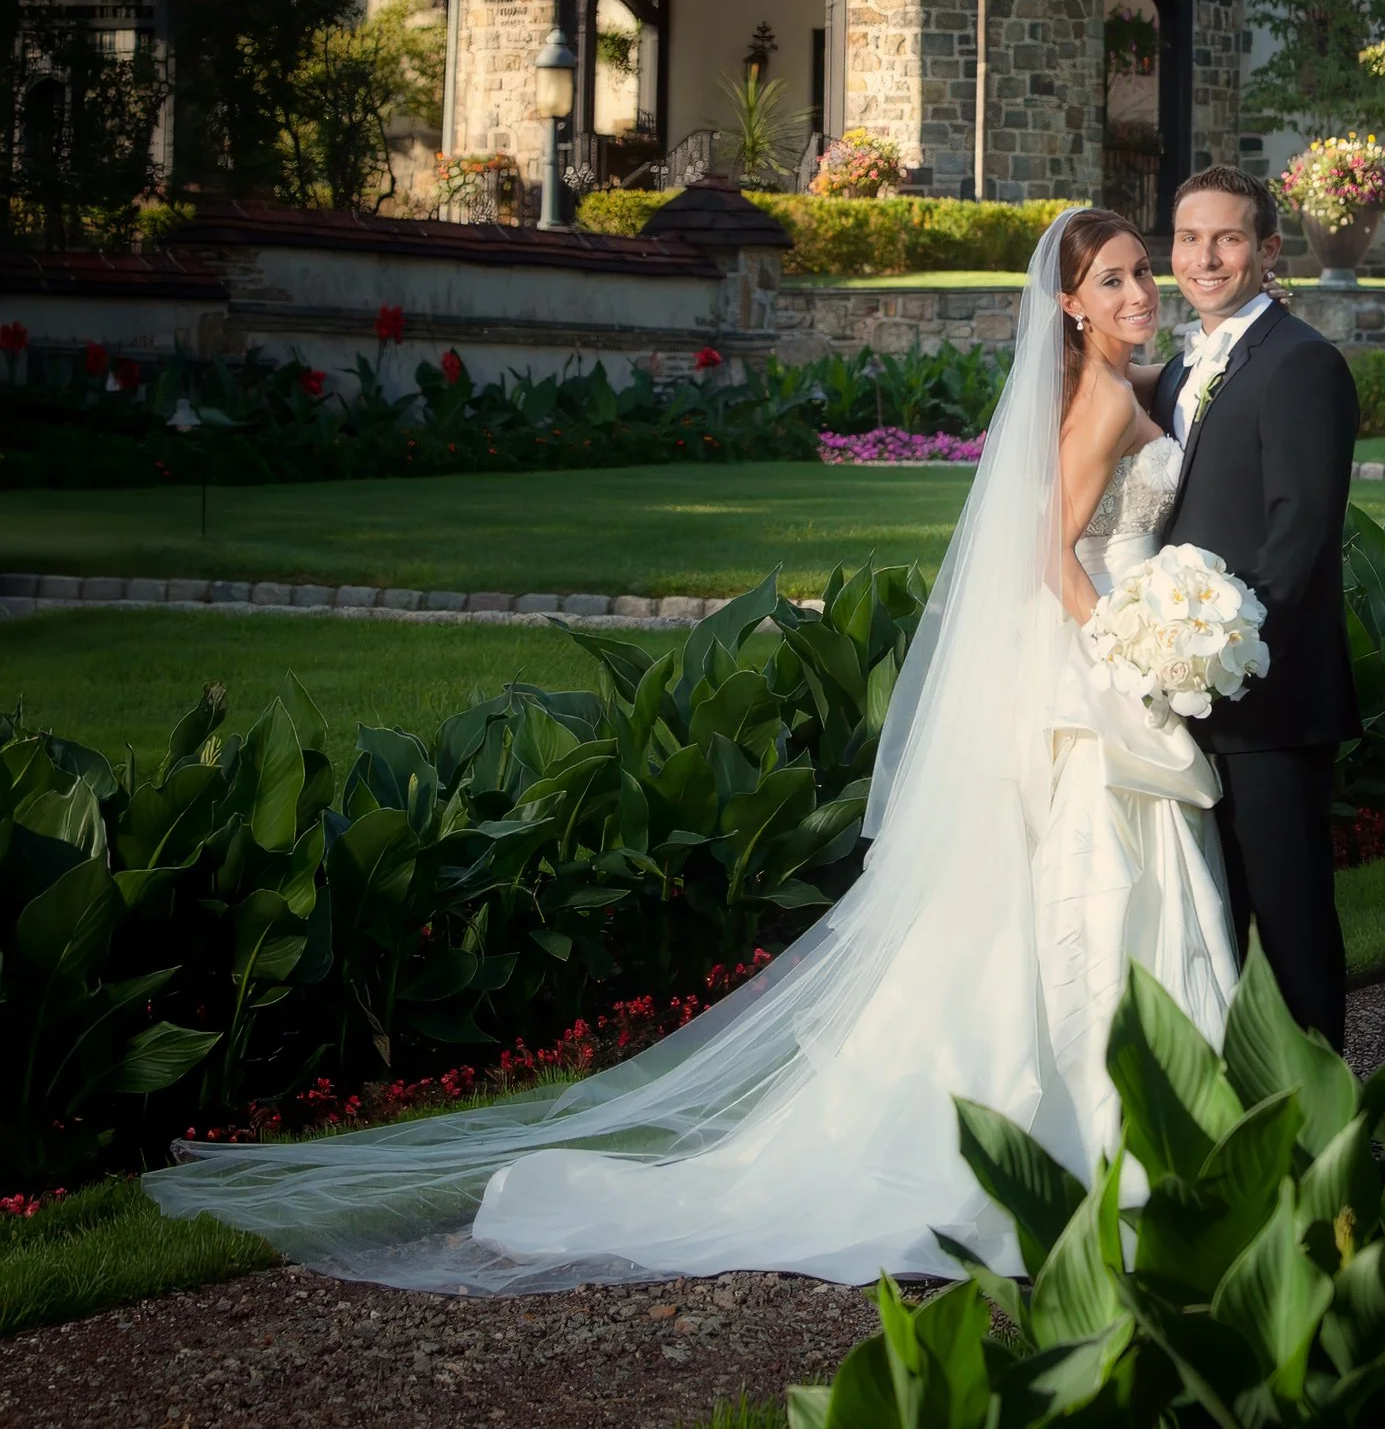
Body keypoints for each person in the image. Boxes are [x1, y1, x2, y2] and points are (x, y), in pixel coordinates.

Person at [142, 209, 1239, 1291]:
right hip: (1086, 666)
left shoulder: (1112, 387)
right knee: (1094, 882)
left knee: (1070, 888)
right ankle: (1113, 1128)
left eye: (1143, 271)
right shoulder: (1098, 399)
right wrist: (1127, 652)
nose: (1139, 292)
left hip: (1074, 662)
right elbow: (1052, 553)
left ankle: (1103, 1110)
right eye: (1112, 278)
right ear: (1066, 299)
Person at [1148, 167, 1360, 1046]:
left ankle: (1323, 1119)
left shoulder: (1304, 365)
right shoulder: (1174, 372)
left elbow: (1297, 540)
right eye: (1190, 238)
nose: (1206, 256)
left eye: (1228, 238)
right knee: (1211, 918)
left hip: (1268, 699)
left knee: (1290, 917)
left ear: (1268, 252)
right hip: (1184, 695)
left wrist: (1220, 654)